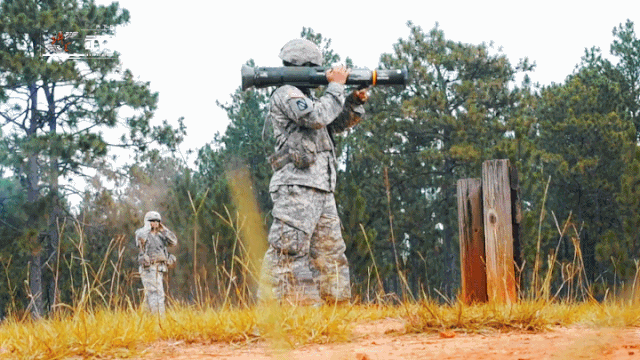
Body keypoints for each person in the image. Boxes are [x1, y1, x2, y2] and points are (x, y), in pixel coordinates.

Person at [259, 38, 369, 306]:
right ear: (303, 66)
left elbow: (332, 123)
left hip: (321, 188)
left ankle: (335, 311)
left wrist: (353, 101)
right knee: (288, 250)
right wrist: (335, 88)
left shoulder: (309, 98)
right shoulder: (287, 94)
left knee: (330, 254)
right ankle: (280, 312)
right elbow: (316, 117)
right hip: (296, 187)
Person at [135, 211, 177, 315]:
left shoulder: (161, 235)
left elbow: (173, 242)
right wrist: (147, 227)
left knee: (150, 295)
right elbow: (140, 239)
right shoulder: (141, 233)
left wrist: (164, 230)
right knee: (156, 294)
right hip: (149, 268)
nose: (155, 223)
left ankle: (145, 320)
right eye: (152, 221)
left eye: (157, 221)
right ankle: (158, 319)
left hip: (160, 267)